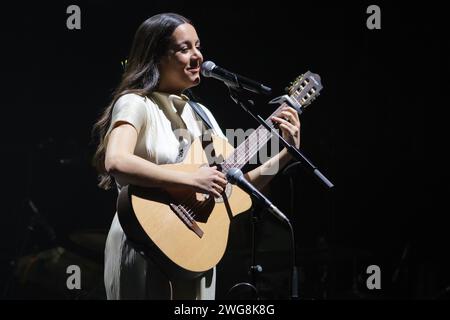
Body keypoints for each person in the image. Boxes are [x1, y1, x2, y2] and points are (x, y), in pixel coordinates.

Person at [92, 12, 301, 300]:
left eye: (198, 46)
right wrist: (192, 179)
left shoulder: (201, 115)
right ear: (156, 56)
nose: (198, 56)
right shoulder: (135, 103)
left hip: (193, 248)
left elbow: (233, 187)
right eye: (184, 48)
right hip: (145, 242)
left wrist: (285, 155)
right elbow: (116, 162)